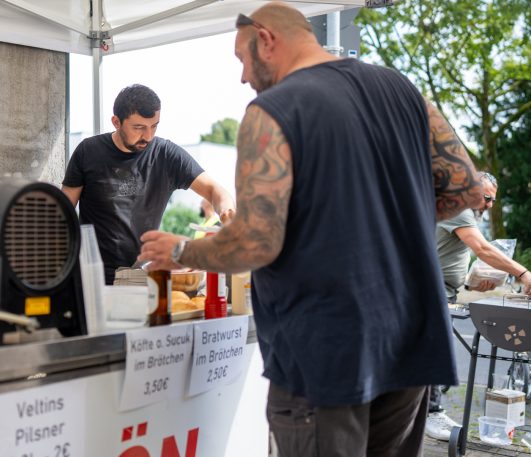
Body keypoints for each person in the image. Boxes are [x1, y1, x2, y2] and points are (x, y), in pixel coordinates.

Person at [139, 3, 483, 456]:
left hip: (327, 349)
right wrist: (387, 215)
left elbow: (256, 243)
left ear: (266, 38)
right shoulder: (402, 90)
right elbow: (467, 190)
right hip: (410, 337)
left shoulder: (272, 110)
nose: (243, 77)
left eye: (241, 59)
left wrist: (182, 250)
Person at [61, 84, 235, 284]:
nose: (148, 136)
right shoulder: (88, 152)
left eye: (154, 126)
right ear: (116, 122)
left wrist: (227, 211)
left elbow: (215, 190)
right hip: (91, 278)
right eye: (139, 128)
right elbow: (62, 212)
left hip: (144, 276)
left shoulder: (166, 155)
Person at [426, 171, 531, 440]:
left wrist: (473, 284)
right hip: (430, 292)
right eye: (487, 198)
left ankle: (415, 412)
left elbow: (450, 256)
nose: (489, 205)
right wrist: (522, 273)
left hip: (444, 291)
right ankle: (432, 414)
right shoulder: (460, 208)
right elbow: (483, 249)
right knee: (434, 352)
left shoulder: (464, 214)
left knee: (426, 352)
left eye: (493, 201)